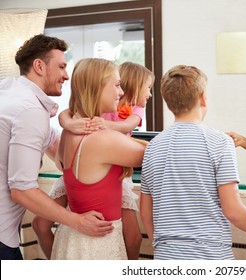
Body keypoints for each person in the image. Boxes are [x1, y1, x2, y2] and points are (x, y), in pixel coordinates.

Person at [140, 65, 246, 260]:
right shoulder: (219, 142)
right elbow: (233, 210)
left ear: (167, 101)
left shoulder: (153, 146)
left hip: (165, 256)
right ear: (202, 97)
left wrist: (160, 245)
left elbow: (145, 209)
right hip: (210, 255)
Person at [0, 34, 114, 260]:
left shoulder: (9, 89)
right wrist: (78, 222)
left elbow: (52, 142)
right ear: (39, 66)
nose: (66, 75)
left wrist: (70, 125)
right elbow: (22, 190)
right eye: (61, 66)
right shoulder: (29, 110)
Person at [32, 62, 154, 260]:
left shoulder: (69, 132)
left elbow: (61, 159)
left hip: (70, 243)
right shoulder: (101, 139)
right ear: (98, 88)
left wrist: (66, 120)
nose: (121, 92)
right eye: (116, 85)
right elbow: (159, 153)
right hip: (99, 246)